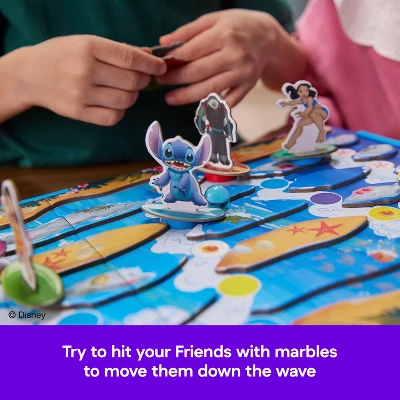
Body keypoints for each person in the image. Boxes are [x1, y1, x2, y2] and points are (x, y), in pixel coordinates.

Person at [0, 1, 298, 167]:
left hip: (204, 164)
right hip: (33, 181)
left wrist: (269, 38)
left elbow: (304, 75)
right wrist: (22, 77)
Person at [278, 81, 329, 150]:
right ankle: (291, 142)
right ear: (298, 93)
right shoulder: (302, 100)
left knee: (312, 112)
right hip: (312, 115)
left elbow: (310, 108)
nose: (304, 93)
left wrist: (303, 113)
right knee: (299, 124)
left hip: (322, 112)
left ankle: (321, 132)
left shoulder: (310, 98)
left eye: (306, 90)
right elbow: (294, 102)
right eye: (301, 91)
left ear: (308, 91)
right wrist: (286, 103)